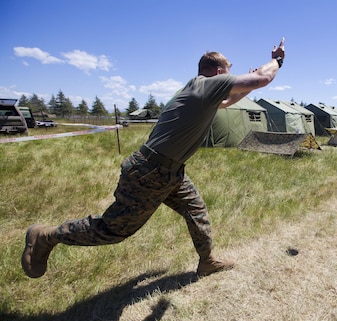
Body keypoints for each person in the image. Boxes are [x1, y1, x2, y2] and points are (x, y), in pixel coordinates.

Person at [22, 38, 286, 279]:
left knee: (196, 210)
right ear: (219, 72)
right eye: (228, 71)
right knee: (114, 230)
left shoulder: (201, 93)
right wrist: (277, 60)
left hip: (170, 172)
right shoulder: (206, 85)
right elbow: (263, 78)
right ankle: (46, 236)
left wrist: (248, 87)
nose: (229, 78)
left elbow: (227, 102)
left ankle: (207, 261)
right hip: (151, 171)